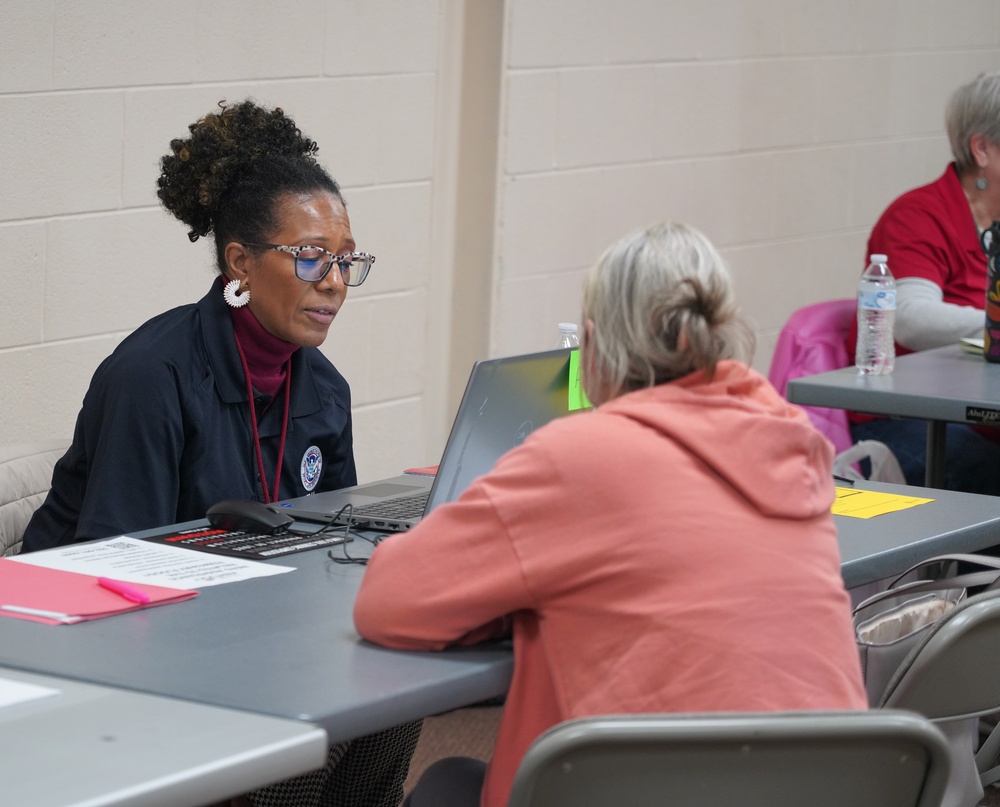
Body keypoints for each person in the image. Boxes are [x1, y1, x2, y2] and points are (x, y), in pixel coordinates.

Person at [354, 222, 868, 807]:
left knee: (443, 788)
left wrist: (509, 599)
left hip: (642, 789)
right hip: (814, 787)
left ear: (593, 346)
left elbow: (388, 603)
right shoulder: (786, 441)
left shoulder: (582, 455)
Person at [21, 99, 420, 807]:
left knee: (395, 701)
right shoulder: (153, 375)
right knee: (295, 749)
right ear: (239, 261)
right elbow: (112, 578)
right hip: (126, 663)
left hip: (259, 648)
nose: (333, 280)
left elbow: (340, 549)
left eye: (346, 261)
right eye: (310, 256)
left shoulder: (323, 388)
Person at [847, 70, 1000, 494]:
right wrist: (993, 327)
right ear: (983, 149)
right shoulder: (918, 216)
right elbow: (909, 317)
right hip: (912, 419)